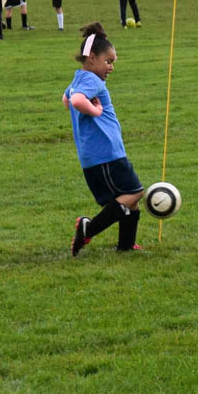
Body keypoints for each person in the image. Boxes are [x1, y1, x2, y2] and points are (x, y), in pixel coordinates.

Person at [63, 22, 144, 255]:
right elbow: (76, 100)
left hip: (95, 156)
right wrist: (96, 111)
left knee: (130, 198)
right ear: (91, 59)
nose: (111, 67)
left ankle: (126, 245)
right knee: (135, 192)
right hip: (106, 154)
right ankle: (89, 229)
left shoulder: (79, 78)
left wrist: (85, 108)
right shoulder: (92, 80)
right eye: (108, 61)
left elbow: (66, 99)